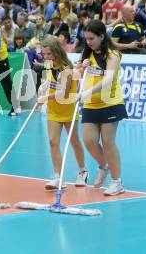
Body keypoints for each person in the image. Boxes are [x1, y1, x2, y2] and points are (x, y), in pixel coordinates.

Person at [78, 20, 128, 196]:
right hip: (91, 103)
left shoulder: (113, 54)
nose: (89, 42)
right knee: (89, 141)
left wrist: (89, 91)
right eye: (86, 39)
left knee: (108, 143)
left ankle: (117, 182)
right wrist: (81, 68)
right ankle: (104, 166)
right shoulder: (88, 54)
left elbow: (108, 79)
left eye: (92, 38)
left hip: (110, 102)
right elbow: (78, 76)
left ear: (101, 36)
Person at [37, 36, 88, 190]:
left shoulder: (66, 68)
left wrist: (44, 98)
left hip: (68, 107)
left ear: (57, 52)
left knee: (74, 141)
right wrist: (43, 86)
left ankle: (82, 171)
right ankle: (58, 177)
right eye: (44, 54)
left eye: (49, 54)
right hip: (53, 108)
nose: (46, 57)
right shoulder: (48, 64)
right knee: (53, 141)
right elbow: (50, 80)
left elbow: (63, 94)